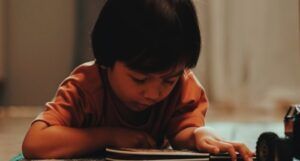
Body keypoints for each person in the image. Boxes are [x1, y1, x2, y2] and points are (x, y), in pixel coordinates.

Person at [22, 0, 254, 160]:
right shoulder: (85, 86)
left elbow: (183, 131)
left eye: (168, 80)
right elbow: (35, 144)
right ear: (107, 57)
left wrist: (201, 136)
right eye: (139, 79)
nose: (153, 93)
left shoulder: (184, 85)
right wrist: (109, 135)